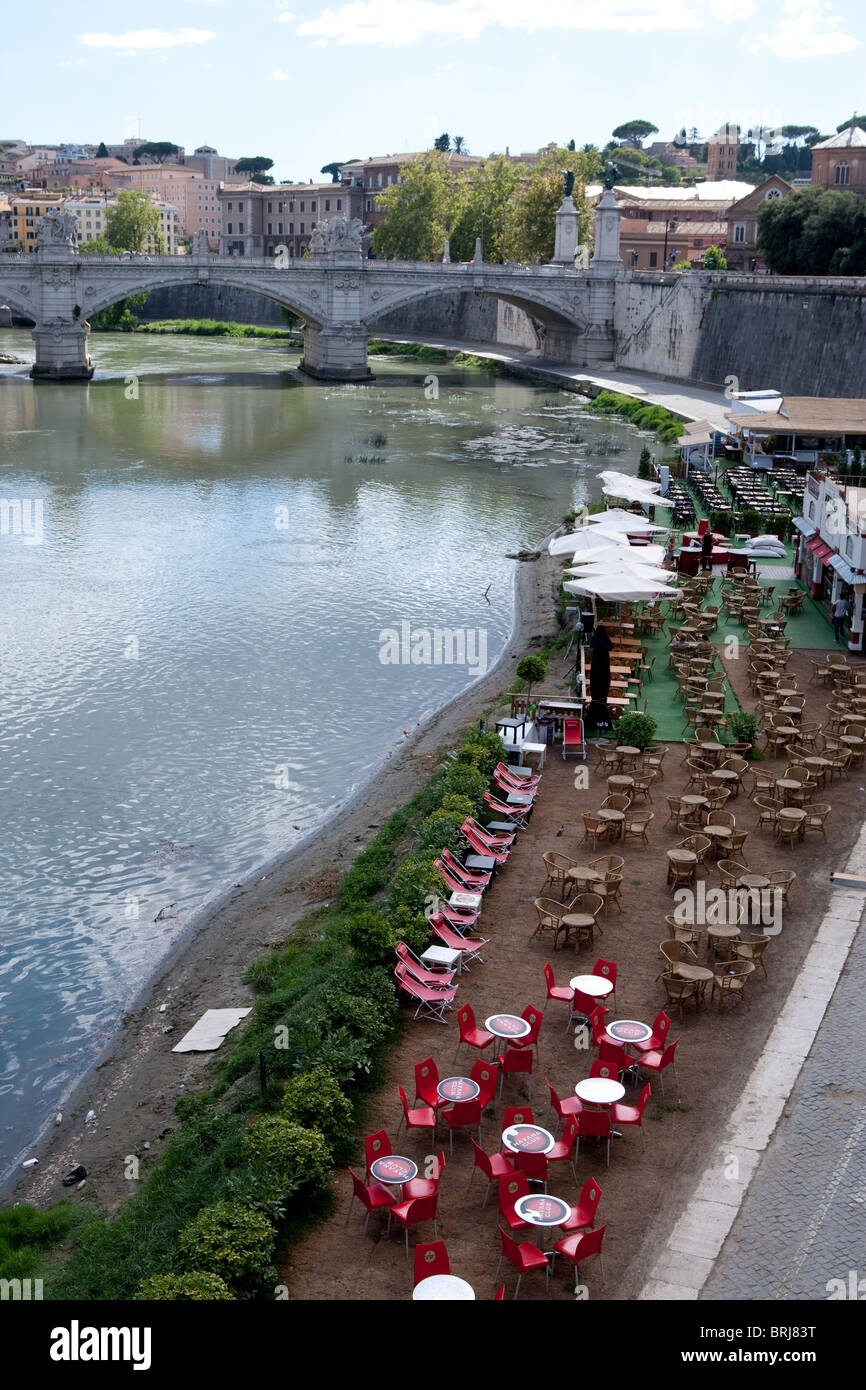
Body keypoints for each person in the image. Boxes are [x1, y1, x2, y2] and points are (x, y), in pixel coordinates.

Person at [586, 619, 613, 731]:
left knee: (597, 696)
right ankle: (602, 719)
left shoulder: (596, 653)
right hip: (604, 678)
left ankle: (593, 720)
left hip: (596, 676)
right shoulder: (605, 654)